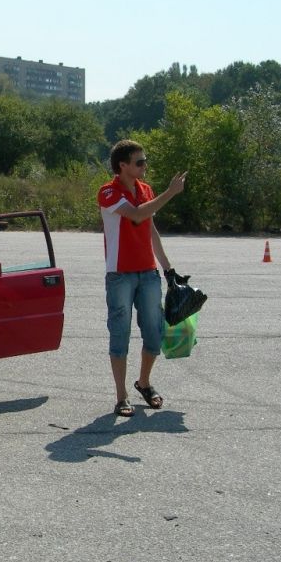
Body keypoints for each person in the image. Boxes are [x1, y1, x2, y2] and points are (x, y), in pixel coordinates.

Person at [98, 139, 187, 417]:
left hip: (148, 273)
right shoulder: (108, 193)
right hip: (120, 275)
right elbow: (137, 216)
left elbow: (150, 229)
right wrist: (171, 193)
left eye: (145, 160)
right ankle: (121, 396)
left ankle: (144, 383)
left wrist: (168, 269)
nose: (144, 165)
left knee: (154, 332)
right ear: (122, 166)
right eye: (139, 162)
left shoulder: (146, 189)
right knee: (120, 334)